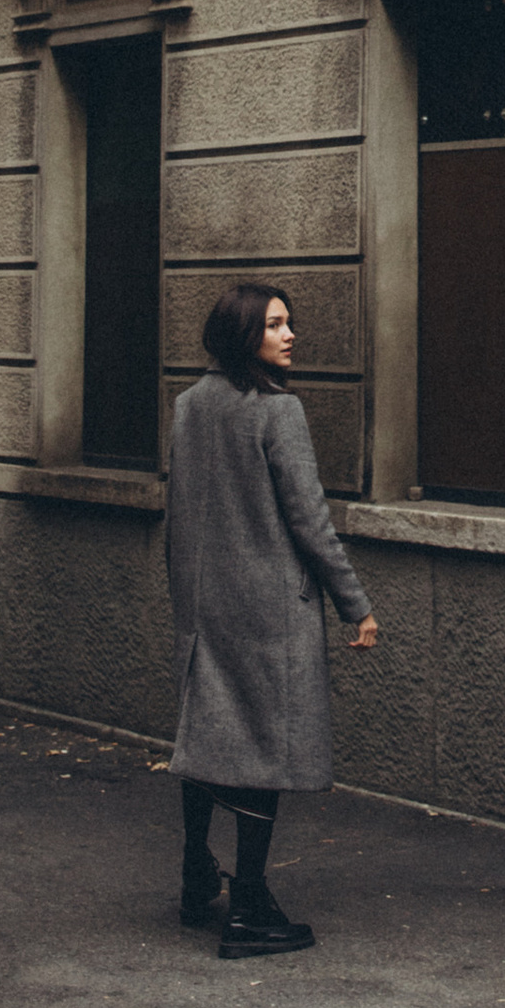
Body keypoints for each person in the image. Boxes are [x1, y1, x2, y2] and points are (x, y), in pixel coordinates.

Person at [164, 279, 377, 960]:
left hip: (207, 603)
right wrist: (356, 603)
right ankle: (250, 905)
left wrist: (186, 598)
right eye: (275, 325)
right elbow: (309, 521)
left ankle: (199, 877)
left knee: (208, 740)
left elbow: (177, 514)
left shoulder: (189, 406)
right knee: (264, 751)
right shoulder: (277, 414)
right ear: (243, 334)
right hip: (269, 611)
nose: (290, 335)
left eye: (289, 323)